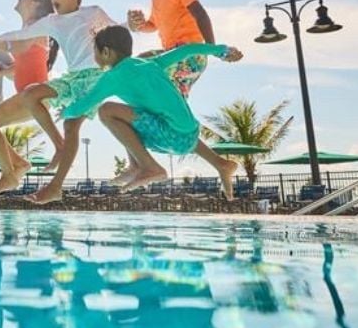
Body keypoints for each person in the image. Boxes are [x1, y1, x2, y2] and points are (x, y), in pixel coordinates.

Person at [0, 0, 116, 200]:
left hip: (93, 77)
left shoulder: (90, 13)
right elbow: (19, 41)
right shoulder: (50, 23)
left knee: (71, 127)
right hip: (64, 81)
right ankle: (20, 166)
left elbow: (117, 29)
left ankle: (41, 175)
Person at [64, 25, 243, 199]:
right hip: (191, 135)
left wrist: (64, 111)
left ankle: (148, 166)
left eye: (94, 51)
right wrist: (222, 50)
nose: (93, 56)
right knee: (146, 112)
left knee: (107, 111)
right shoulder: (151, 63)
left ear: (106, 52)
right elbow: (188, 50)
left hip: (172, 137)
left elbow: (82, 107)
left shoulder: (112, 77)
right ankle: (221, 164)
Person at [127, 0, 239, 194]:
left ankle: (138, 164)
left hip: (188, 54)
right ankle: (221, 164)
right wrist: (138, 24)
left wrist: (212, 49)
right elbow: (152, 26)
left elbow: (201, 15)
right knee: (171, 116)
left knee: (137, 66)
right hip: (173, 60)